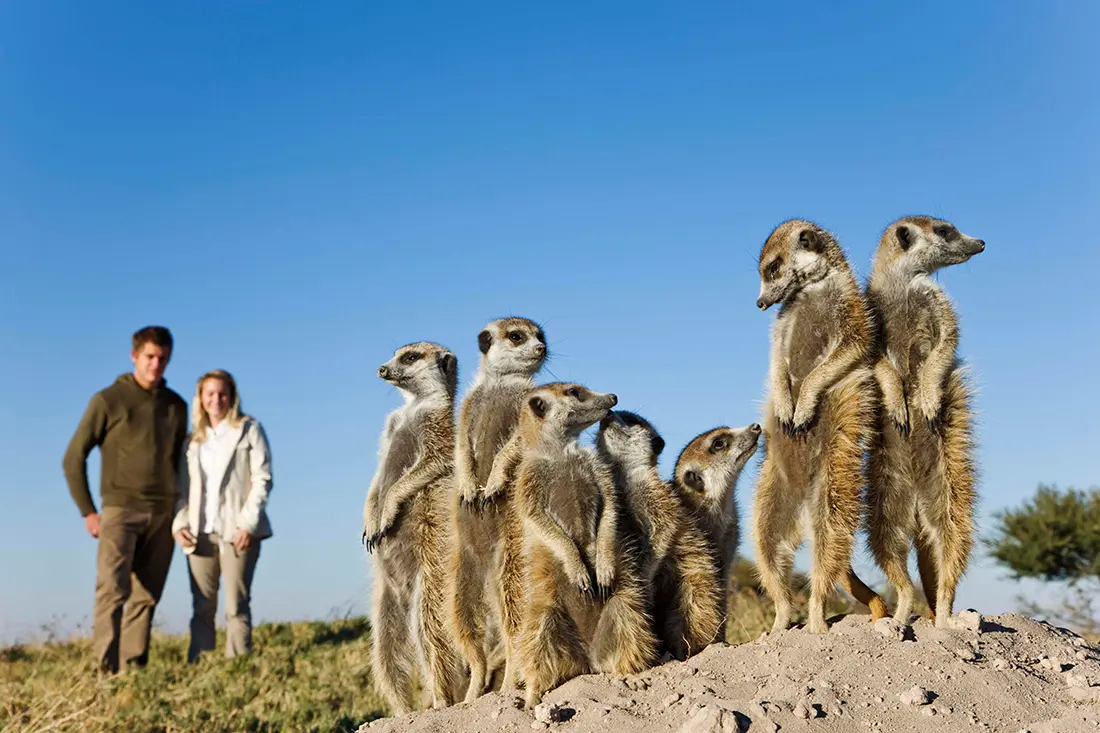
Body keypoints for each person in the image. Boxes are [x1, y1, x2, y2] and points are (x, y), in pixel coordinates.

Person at [62, 326, 189, 674]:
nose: (156, 365)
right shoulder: (108, 400)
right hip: (119, 510)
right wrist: (88, 510)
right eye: (150, 357)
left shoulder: (177, 406)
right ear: (134, 356)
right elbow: (73, 457)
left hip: (162, 514)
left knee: (146, 596)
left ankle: (133, 672)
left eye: (163, 358)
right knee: (112, 591)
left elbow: (181, 463)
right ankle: (103, 673)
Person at [172, 369, 273, 662]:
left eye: (222, 393)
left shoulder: (249, 429)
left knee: (235, 606)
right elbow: (180, 490)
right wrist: (179, 524)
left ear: (232, 396)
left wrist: (248, 523)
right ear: (201, 399)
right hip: (199, 532)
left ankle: (237, 667)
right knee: (202, 607)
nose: (216, 399)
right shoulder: (192, 442)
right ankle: (200, 666)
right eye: (210, 394)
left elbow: (262, 478)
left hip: (239, 531)